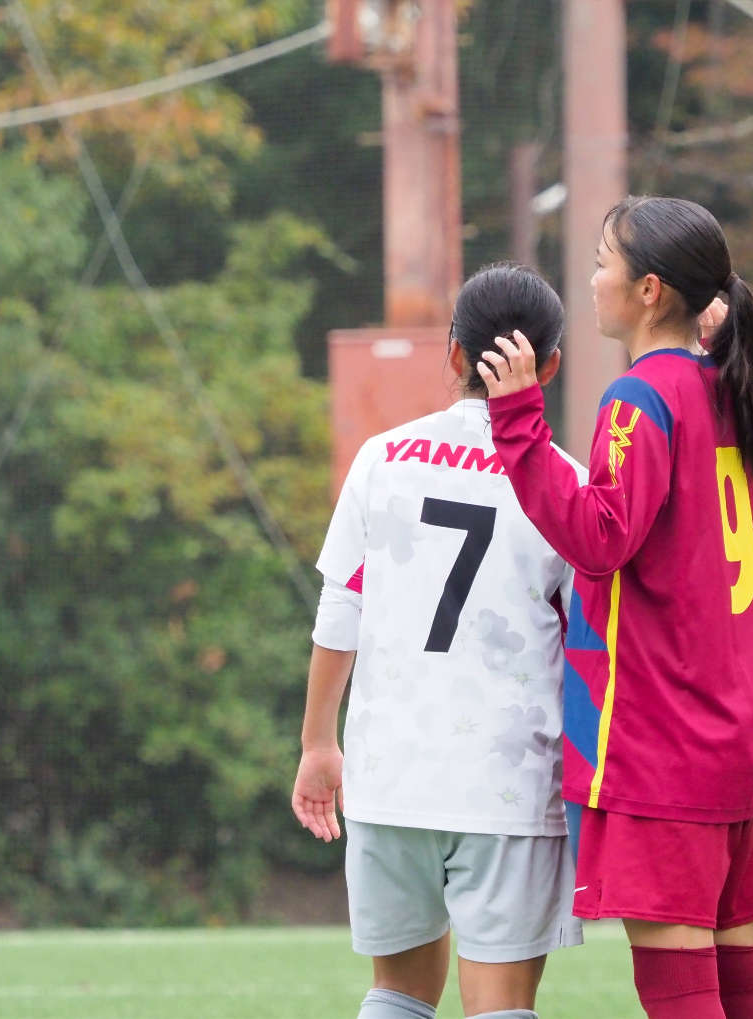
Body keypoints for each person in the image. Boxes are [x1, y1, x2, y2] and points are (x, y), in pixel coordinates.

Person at [478, 196, 753, 1019]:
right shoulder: (729, 390)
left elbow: (602, 539)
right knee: (739, 985)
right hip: (733, 737)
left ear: (649, 290)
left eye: (603, 260)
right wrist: (745, 386)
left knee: (680, 994)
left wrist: (519, 423)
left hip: (663, 741)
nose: (591, 278)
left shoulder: (639, 399)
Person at [291, 262, 587, 1019]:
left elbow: (340, 608)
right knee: (500, 1006)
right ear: (549, 365)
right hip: (510, 781)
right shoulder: (564, 484)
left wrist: (319, 744)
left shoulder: (381, 460)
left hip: (391, 774)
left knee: (397, 993)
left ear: (452, 354)